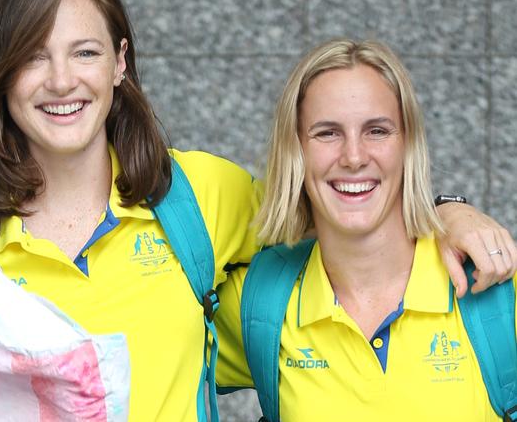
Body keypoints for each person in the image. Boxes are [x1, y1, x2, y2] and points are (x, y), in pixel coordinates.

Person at [0, 0, 514, 422]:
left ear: (120, 62)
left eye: (84, 52)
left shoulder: (197, 199)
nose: (61, 79)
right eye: (33, 56)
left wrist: (445, 210)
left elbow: (340, 196)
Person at [214, 39, 516, 421]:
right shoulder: (259, 302)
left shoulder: (499, 292)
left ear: (408, 145)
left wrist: (446, 207)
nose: (354, 157)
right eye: (327, 133)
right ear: (296, 152)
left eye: (376, 131)